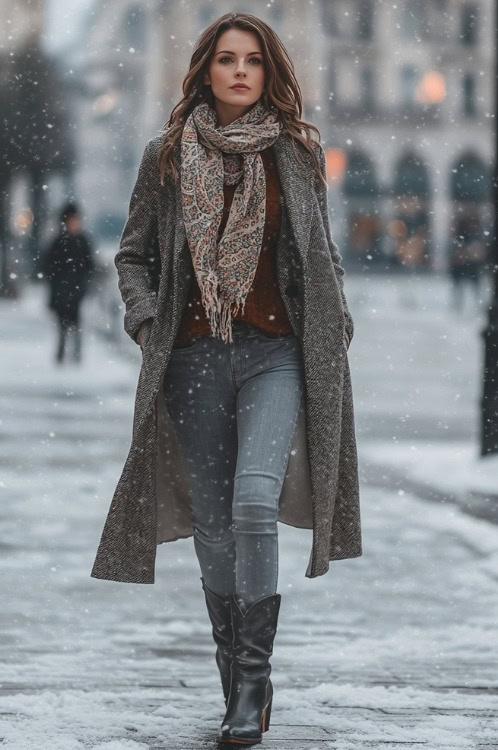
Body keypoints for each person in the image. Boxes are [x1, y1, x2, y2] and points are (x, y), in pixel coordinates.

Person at [90, 12, 361, 746]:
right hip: (194, 358)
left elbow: (321, 256)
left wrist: (335, 322)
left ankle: (252, 678)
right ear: (206, 70)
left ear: (270, 73)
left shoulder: (297, 157)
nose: (241, 72)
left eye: (254, 61)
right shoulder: (168, 156)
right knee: (212, 525)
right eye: (226, 60)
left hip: (275, 356)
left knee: (251, 504)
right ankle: (239, 680)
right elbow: (132, 256)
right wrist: (149, 323)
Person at [42, 202, 95, 364]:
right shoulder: (59, 242)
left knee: (75, 321)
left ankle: (74, 353)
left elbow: (89, 264)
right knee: (62, 324)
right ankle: (63, 352)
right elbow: (49, 266)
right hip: (62, 290)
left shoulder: (81, 241)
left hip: (75, 289)